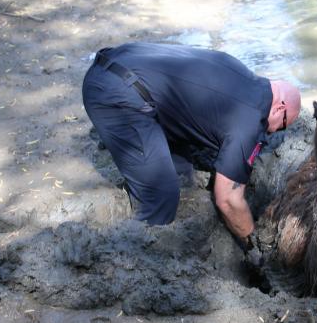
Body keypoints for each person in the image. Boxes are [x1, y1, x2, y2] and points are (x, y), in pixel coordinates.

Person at [81, 43, 301, 249]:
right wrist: (252, 247)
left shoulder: (240, 71)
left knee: (182, 176)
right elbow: (228, 199)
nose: (272, 132)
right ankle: (139, 264)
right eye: (281, 126)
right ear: (279, 109)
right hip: (114, 93)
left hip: (120, 60)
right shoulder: (250, 120)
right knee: (160, 195)